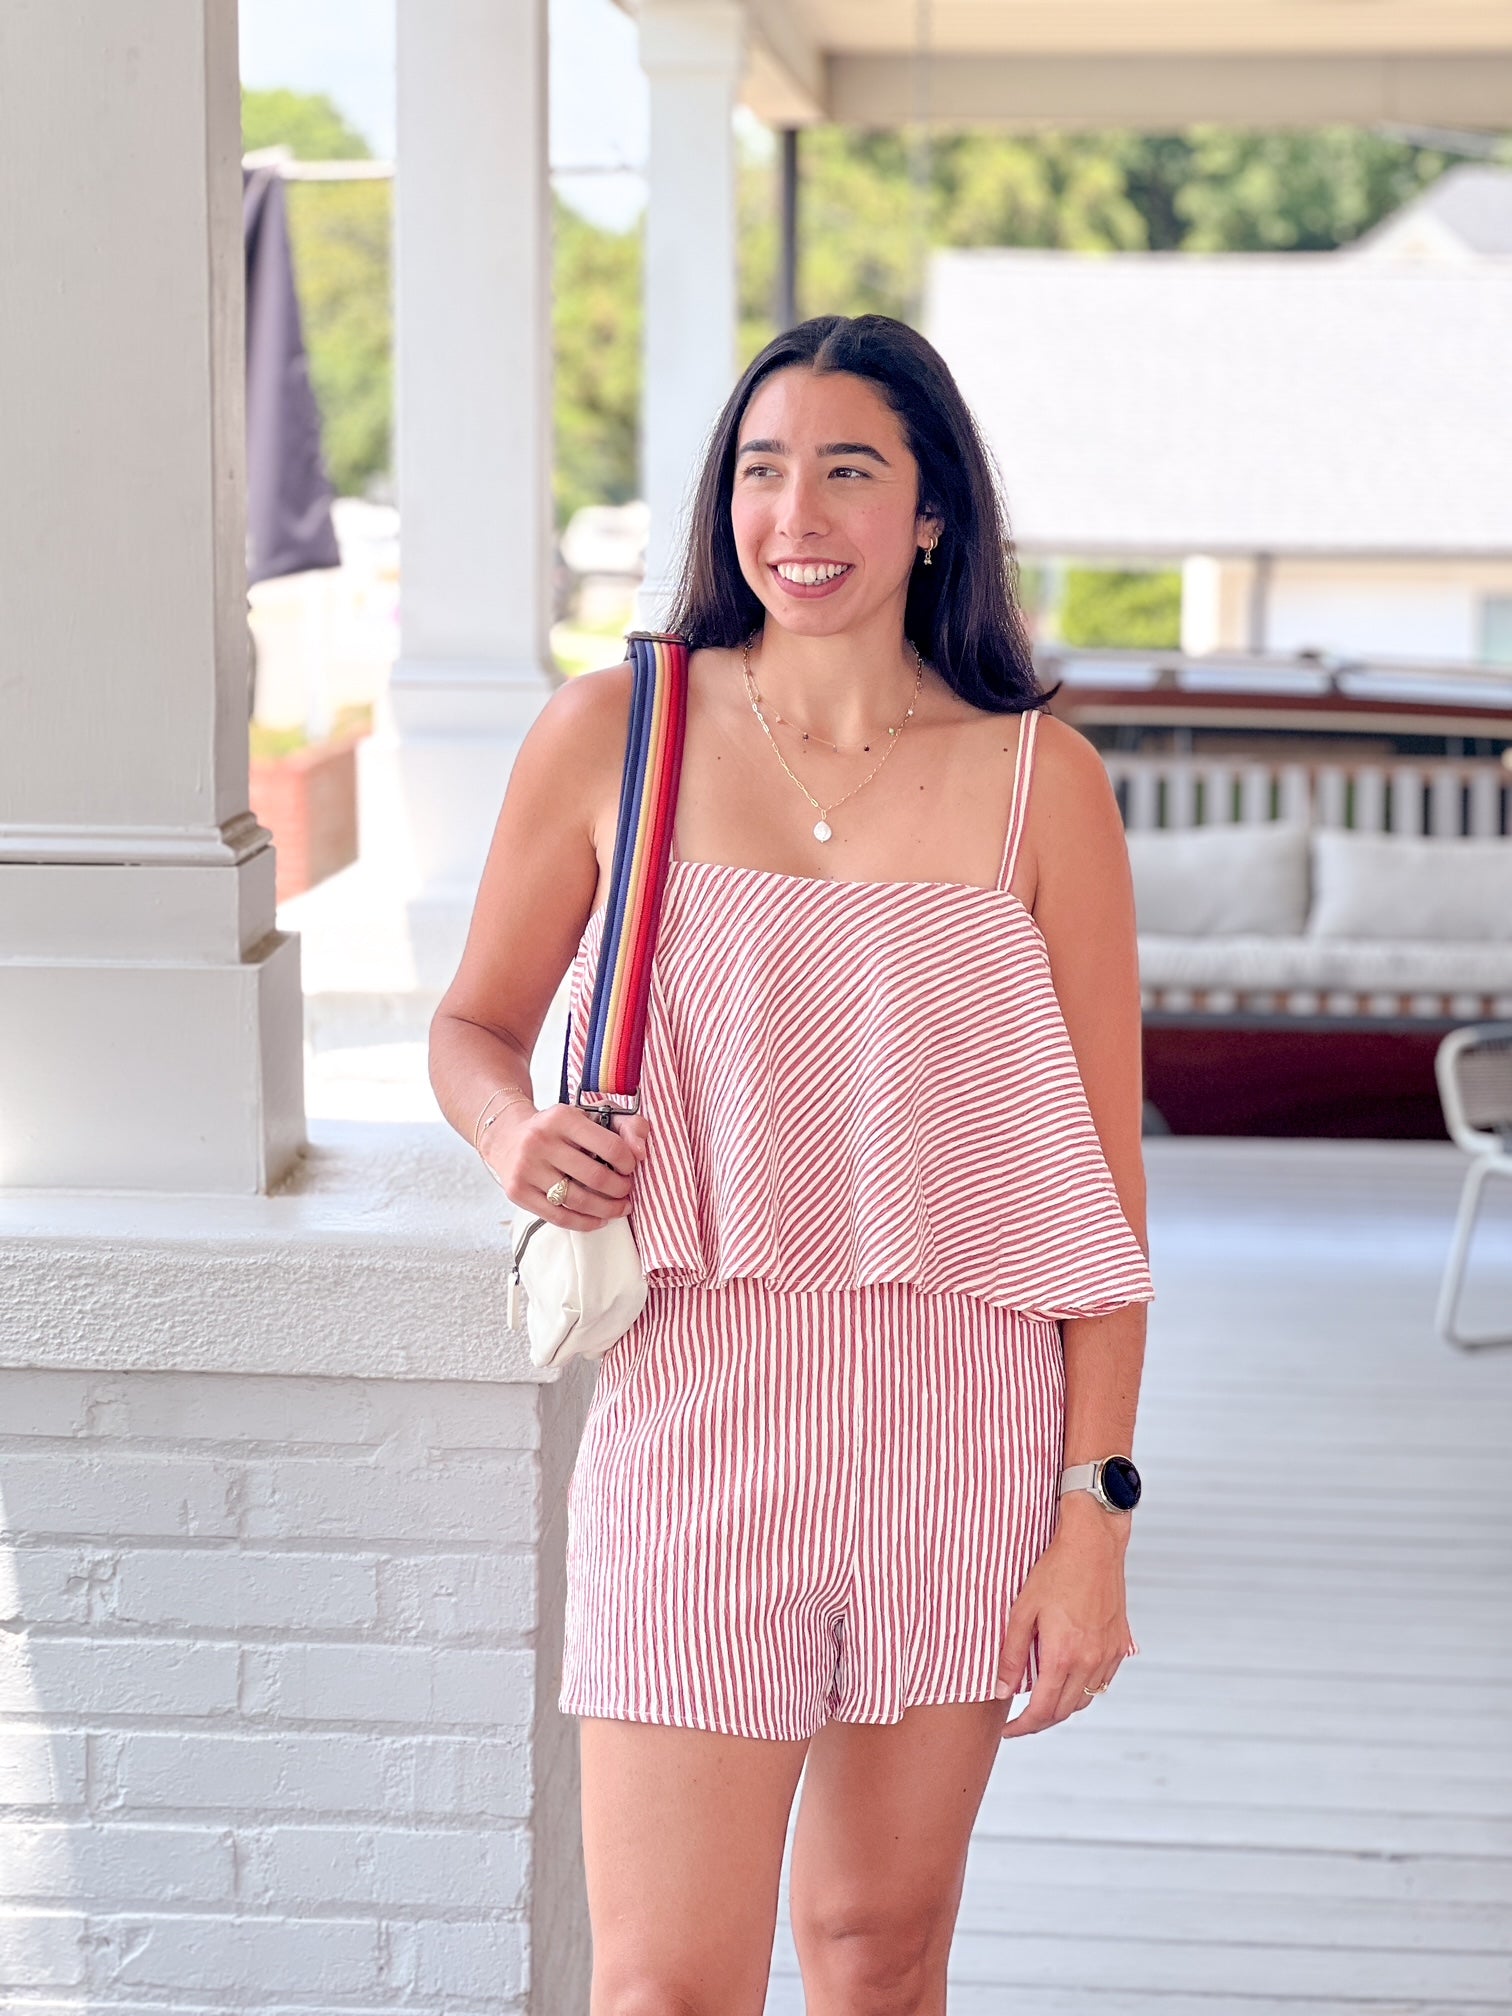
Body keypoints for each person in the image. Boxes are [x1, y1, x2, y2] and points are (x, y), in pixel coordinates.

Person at [429, 313, 1155, 2015]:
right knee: (666, 1986)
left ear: (930, 515)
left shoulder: (1046, 786)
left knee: (876, 1955)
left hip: (964, 1428)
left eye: (849, 469)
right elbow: (472, 1028)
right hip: (696, 1411)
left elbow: (1103, 1201)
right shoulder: (615, 732)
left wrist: (1094, 1519)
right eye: (762, 471)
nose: (796, 512)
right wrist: (512, 1131)